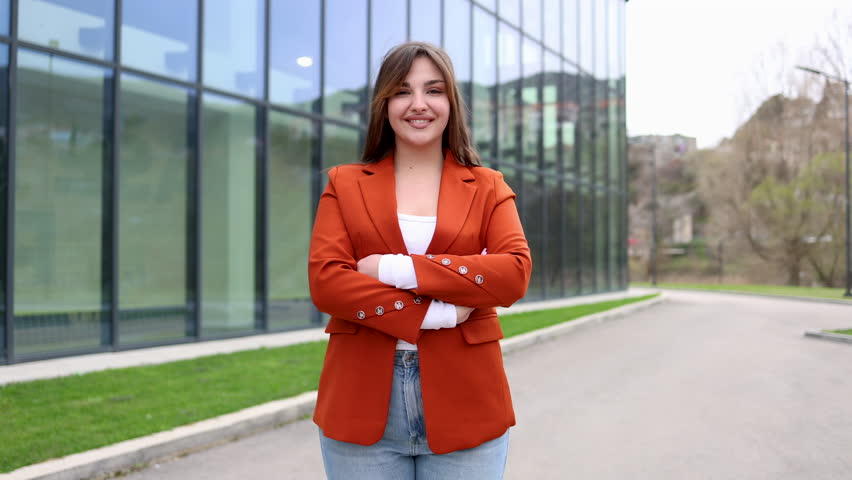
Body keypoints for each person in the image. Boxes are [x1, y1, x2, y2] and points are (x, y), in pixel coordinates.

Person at [308, 41, 532, 479]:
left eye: (433, 90)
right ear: (383, 103)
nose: (418, 104)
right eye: (402, 91)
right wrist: (441, 313)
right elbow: (328, 283)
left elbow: (513, 274)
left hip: (468, 399)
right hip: (359, 400)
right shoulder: (345, 183)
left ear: (451, 102)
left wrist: (394, 268)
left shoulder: (488, 186)